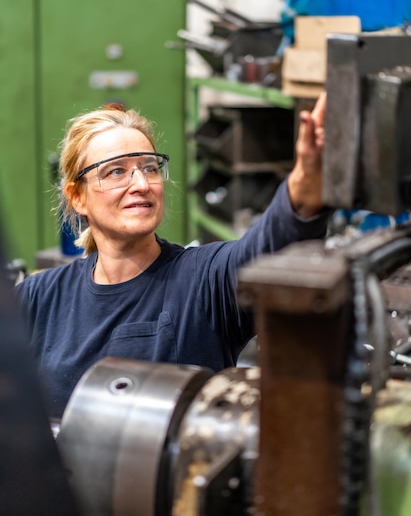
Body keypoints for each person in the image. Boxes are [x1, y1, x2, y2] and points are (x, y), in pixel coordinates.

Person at [16, 94, 328, 418]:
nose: (140, 184)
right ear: (77, 197)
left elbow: (268, 249)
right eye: (115, 172)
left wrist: (305, 185)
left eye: (149, 168)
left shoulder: (203, 281)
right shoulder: (39, 299)